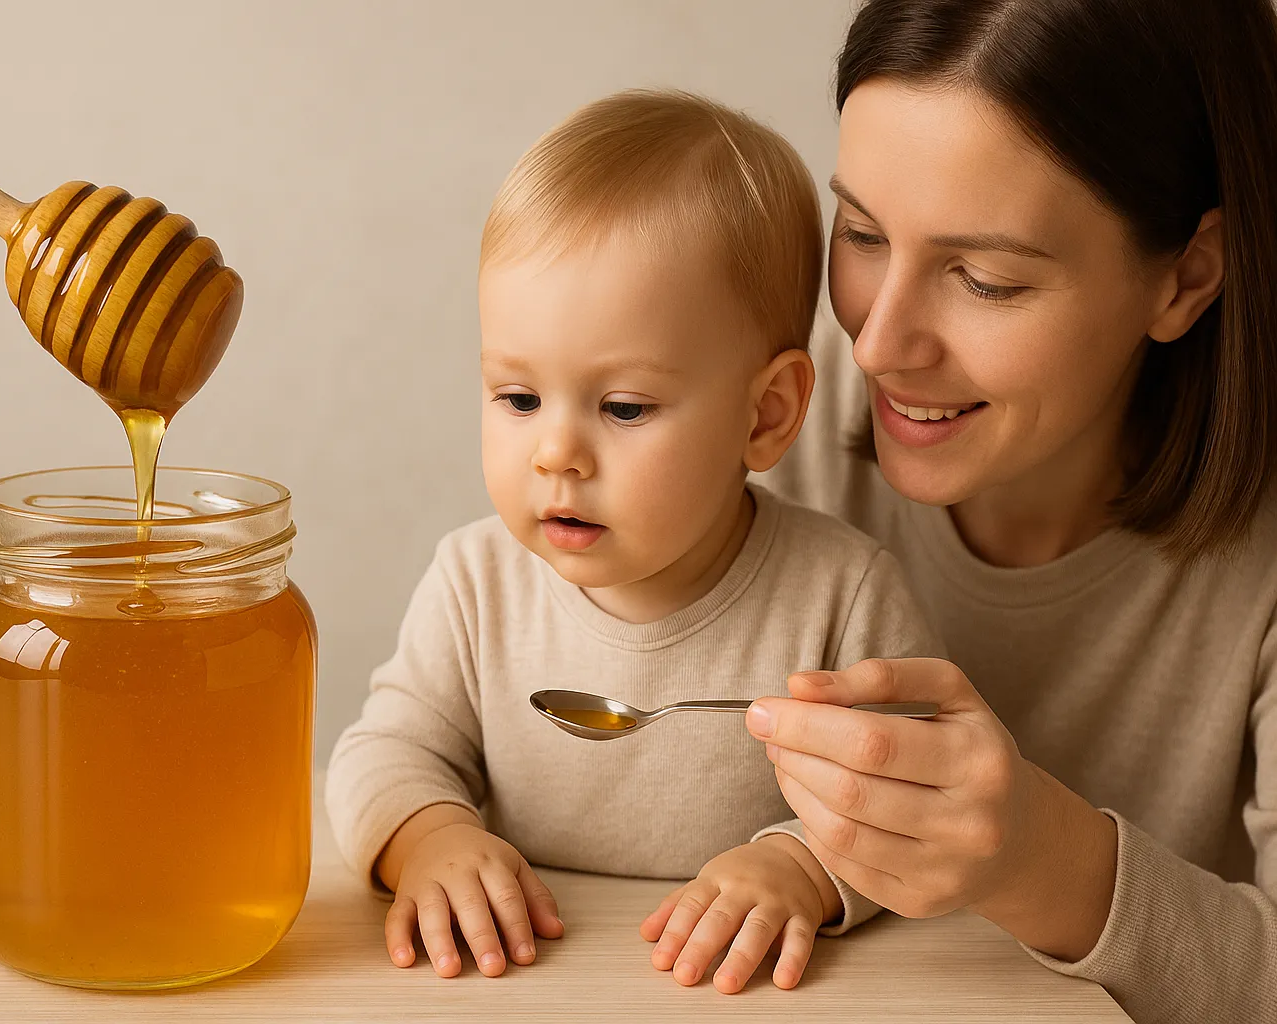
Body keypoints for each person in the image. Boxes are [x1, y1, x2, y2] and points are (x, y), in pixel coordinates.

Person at [747, 2, 1277, 1022]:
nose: (877, 345)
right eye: (862, 233)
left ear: (1186, 276)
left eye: (986, 279)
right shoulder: (779, 398)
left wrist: (1042, 860)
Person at [325, 88, 942, 995]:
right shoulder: (475, 584)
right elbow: (381, 753)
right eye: (518, 398)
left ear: (765, 415)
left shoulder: (841, 597)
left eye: (623, 408)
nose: (556, 453)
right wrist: (430, 839)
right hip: (524, 981)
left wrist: (799, 867)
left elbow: (904, 803)